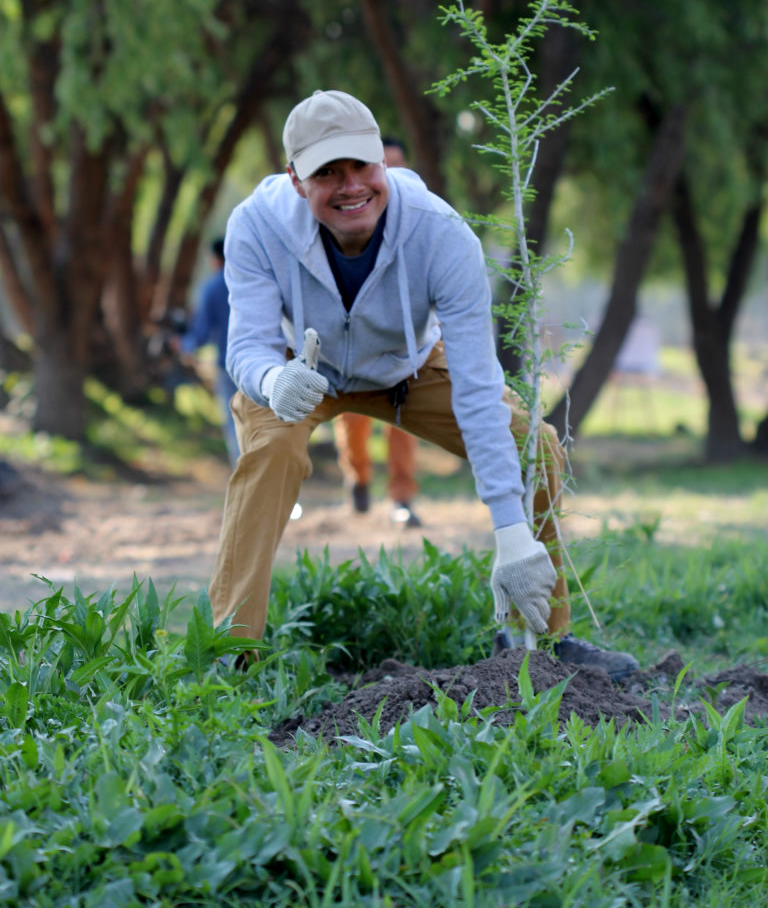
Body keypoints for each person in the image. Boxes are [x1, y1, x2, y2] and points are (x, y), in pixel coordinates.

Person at [211, 89, 638, 679]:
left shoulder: (439, 231)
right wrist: (271, 378)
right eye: (326, 173)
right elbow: (246, 345)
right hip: (298, 371)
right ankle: (228, 658)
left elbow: (477, 387)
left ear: (383, 162)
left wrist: (510, 532)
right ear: (293, 179)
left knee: (531, 445)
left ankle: (538, 646)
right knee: (270, 453)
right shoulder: (255, 226)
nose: (350, 185)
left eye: (361, 165)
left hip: (406, 367)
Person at [333, 136, 422, 528]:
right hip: (351, 348)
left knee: (403, 425)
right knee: (352, 422)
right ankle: (358, 476)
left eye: (397, 166)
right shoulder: (346, 221)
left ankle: (402, 498)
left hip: (402, 348)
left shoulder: (418, 219)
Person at [177, 239, 239, 468]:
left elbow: (200, 333)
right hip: (261, 366)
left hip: (227, 366)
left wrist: (184, 345)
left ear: (215, 259)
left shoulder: (212, 288)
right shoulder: (252, 282)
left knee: (235, 425)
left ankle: (247, 480)